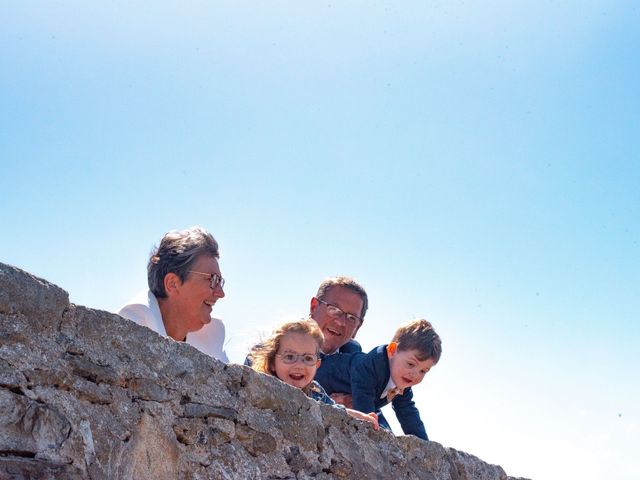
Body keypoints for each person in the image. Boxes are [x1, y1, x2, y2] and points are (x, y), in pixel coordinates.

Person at [315, 319, 442, 441]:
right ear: (392, 350)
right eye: (410, 364)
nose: (415, 374)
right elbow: (363, 402)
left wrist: (423, 443)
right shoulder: (372, 365)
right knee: (379, 428)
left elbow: (407, 412)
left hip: (346, 397)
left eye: (423, 371)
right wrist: (372, 430)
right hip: (321, 377)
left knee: (388, 429)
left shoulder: (403, 381)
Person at [118, 226, 229, 362]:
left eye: (220, 281)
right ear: (172, 284)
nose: (220, 293)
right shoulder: (133, 323)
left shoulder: (212, 332)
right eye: (212, 279)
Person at [248, 318, 378, 429]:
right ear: (272, 362)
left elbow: (335, 410)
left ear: (317, 365)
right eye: (289, 357)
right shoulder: (262, 386)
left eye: (308, 358)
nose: (299, 365)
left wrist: (361, 417)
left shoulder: (316, 392)